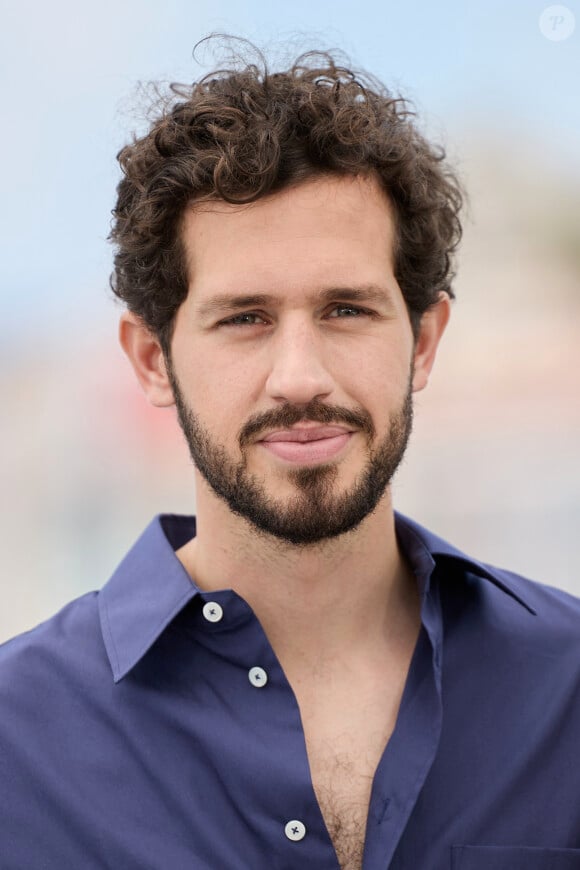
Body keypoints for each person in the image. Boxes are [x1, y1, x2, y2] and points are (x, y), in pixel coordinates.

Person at [1, 42, 580, 870]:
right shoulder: (16, 740)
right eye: (245, 318)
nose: (300, 377)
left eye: (346, 309)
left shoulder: (569, 690)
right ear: (152, 361)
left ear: (422, 342)